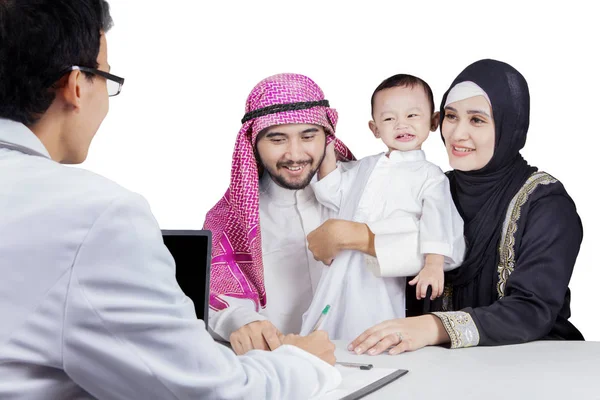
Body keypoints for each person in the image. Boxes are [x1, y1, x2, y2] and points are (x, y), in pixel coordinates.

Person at [0, 1, 342, 399]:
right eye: (108, 79)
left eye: (309, 135)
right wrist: (301, 359)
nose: (294, 152)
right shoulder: (98, 216)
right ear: (77, 86)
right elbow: (211, 391)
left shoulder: (360, 189)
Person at [344, 59, 584, 356]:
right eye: (451, 116)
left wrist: (434, 327)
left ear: (510, 125)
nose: (457, 134)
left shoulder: (545, 203)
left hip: (533, 364)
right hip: (438, 364)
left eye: (477, 120)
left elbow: (532, 309)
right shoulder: (431, 188)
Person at [300, 74, 465, 340]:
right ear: (375, 128)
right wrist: (326, 149)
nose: (402, 124)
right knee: (328, 316)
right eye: (389, 119)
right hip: (341, 262)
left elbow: (438, 222)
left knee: (371, 325)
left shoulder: (429, 176)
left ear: (434, 121)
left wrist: (433, 264)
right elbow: (332, 192)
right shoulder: (363, 166)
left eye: (412, 116)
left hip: (380, 272)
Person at [204, 73, 355, 354]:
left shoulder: (364, 193)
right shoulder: (229, 217)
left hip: (379, 366)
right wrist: (242, 322)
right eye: (277, 139)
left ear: (328, 136)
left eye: (308, 136)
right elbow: (214, 296)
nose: (294, 154)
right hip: (281, 374)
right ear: (253, 142)